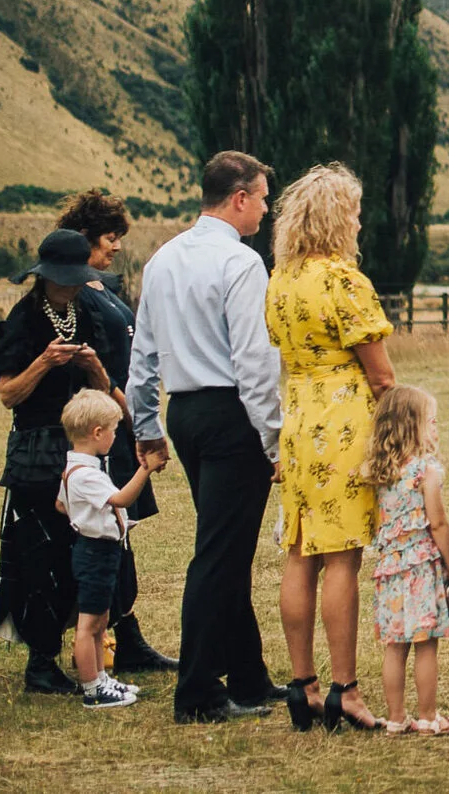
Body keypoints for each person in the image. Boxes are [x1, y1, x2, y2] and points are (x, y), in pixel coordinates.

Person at [125, 150, 284, 725]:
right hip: (232, 416)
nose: (266, 210)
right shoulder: (241, 264)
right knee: (218, 555)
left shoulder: (163, 260)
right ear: (239, 198)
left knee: (227, 546)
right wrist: (273, 440)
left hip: (185, 414)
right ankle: (197, 691)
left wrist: (147, 426)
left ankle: (249, 678)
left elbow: (141, 356)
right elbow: (255, 362)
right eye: (263, 198)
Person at [262, 162, 396, 732]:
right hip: (344, 423)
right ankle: (346, 687)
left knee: (300, 551)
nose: (361, 224)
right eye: (356, 214)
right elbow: (383, 376)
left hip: (297, 423)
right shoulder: (344, 280)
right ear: (339, 218)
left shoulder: (281, 280)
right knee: (343, 555)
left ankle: (303, 684)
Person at [0, 228, 132, 696]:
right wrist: (44, 364)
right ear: (46, 278)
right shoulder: (23, 320)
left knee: (84, 553)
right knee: (40, 553)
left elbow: (111, 392)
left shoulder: (83, 314)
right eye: (66, 279)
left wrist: (94, 369)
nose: (73, 286)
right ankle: (41, 660)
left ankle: (88, 653)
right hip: (38, 453)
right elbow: (8, 395)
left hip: (81, 451)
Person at [59, 188, 172, 675]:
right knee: (106, 529)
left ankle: (127, 633)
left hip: (121, 420)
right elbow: (93, 369)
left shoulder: (104, 287)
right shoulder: (78, 297)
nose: (117, 247)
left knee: (121, 531)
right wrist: (128, 410)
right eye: (109, 237)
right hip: (107, 419)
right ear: (84, 238)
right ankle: (107, 635)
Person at [364, 384, 449, 737]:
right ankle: (428, 716)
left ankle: (395, 717)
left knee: (395, 645)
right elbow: (437, 523)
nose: (437, 430)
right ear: (412, 426)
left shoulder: (378, 472)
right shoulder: (427, 470)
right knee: (426, 644)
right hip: (422, 568)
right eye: (432, 422)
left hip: (389, 569)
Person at [59, 389, 157, 710]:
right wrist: (145, 469)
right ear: (97, 433)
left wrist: (85, 515)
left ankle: (101, 677)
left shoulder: (75, 468)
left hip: (98, 549)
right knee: (88, 626)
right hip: (95, 552)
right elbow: (122, 499)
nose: (116, 437)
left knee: (101, 621)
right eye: (114, 431)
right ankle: (92, 689)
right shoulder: (87, 474)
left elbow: (61, 504)